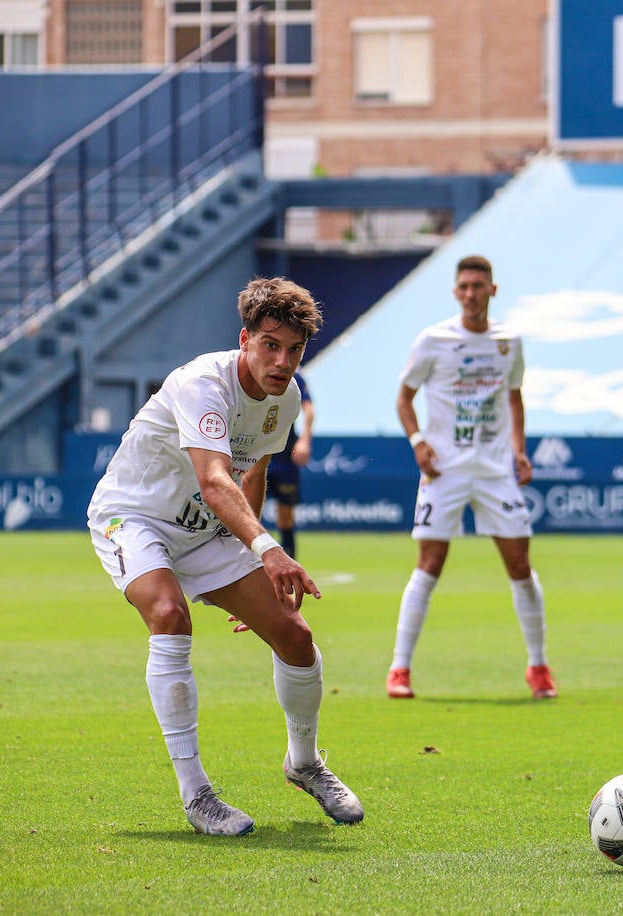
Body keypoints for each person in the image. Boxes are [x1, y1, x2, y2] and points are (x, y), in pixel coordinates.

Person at [86, 277, 363, 837]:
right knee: (169, 615)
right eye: (270, 345)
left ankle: (304, 763)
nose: (282, 362)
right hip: (134, 516)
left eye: (294, 350)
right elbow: (215, 480)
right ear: (245, 339)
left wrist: (248, 559)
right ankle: (197, 796)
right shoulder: (202, 385)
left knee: (295, 636)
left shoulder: (285, 399)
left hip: (205, 531)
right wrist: (269, 551)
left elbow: (252, 472)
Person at [386, 255, 556, 701]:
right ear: (455, 291)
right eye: (463, 286)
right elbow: (404, 398)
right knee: (429, 564)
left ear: (492, 290)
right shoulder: (433, 340)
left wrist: (519, 450)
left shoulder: (508, 341)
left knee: (520, 565)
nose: (470, 294)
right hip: (443, 469)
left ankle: (538, 666)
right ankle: (399, 668)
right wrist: (418, 442)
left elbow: (514, 398)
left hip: (495, 470)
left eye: (478, 286)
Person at [266, 370, 315, 558]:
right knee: (249, 514)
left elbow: (309, 410)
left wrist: (305, 440)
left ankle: (289, 564)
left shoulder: (294, 376)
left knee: (286, 518)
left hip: (284, 459)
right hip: (256, 454)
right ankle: (247, 565)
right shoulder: (253, 371)